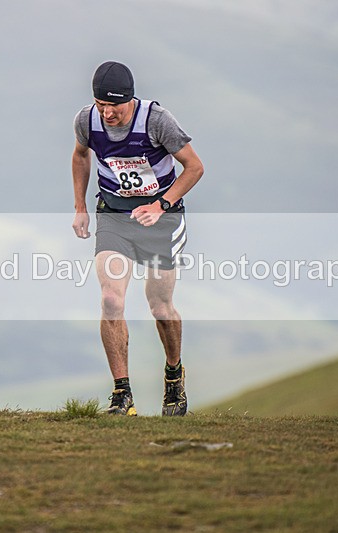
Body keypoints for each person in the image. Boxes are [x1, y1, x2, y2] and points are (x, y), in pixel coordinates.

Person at [71, 61, 204, 416]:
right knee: (111, 299)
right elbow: (80, 155)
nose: (108, 113)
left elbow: (194, 167)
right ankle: (122, 394)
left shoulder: (157, 121)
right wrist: (79, 207)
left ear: (130, 99)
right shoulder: (86, 120)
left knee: (160, 306)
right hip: (114, 215)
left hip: (161, 219)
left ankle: (174, 375)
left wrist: (161, 204)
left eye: (115, 106)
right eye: (101, 105)